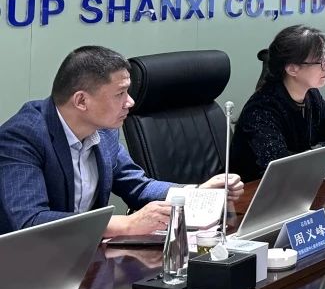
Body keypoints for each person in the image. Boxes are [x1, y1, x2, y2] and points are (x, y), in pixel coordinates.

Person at [0, 46, 243, 236]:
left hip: (84, 255)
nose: (130, 102)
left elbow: (138, 186)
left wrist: (197, 193)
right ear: (81, 101)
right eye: (120, 94)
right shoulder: (22, 137)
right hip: (25, 266)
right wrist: (126, 224)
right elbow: (31, 221)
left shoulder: (104, 130)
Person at [229, 26, 325, 182]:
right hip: (253, 191)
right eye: (320, 60)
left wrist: (314, 150)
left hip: (297, 183)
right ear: (292, 69)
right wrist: (319, 151)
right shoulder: (261, 109)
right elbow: (280, 165)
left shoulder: (312, 95)